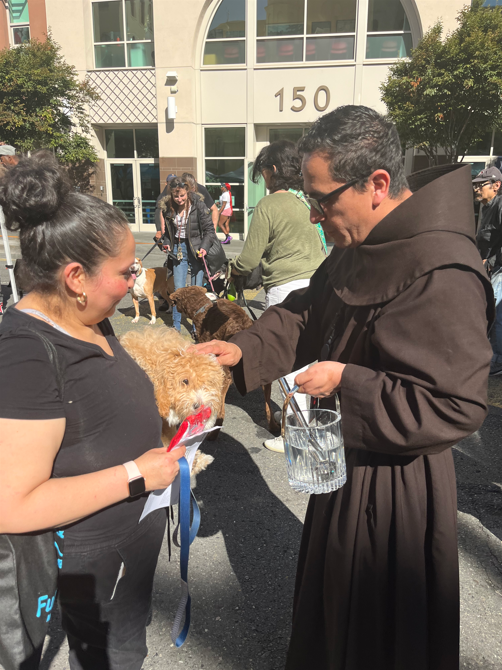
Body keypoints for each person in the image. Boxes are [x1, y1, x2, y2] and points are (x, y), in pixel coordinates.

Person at [194, 106, 493, 670]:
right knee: (334, 616)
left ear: (377, 185)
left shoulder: (444, 267)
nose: (314, 216)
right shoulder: (360, 242)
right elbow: (307, 314)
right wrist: (243, 348)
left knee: (378, 633)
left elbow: (455, 404)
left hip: (398, 485)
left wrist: (344, 380)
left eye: (323, 200)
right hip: (343, 464)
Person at [0, 152, 185, 670]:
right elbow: (12, 504)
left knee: (127, 646)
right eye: (127, 272)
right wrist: (136, 474)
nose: (137, 280)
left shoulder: (89, 318)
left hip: (129, 545)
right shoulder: (25, 353)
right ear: (77, 277)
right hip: (91, 559)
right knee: (108, 657)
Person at [231, 139, 327, 452]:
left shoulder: (269, 205)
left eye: (264, 173)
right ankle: (310, 426)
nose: (266, 180)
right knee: (308, 359)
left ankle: (294, 435)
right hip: (318, 283)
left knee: (288, 364)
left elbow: (248, 259)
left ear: (272, 170)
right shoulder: (303, 201)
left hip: (286, 287)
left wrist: (233, 273)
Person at [159, 177, 214, 332]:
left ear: (188, 192)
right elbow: (168, 233)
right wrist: (167, 242)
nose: (179, 199)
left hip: (196, 248)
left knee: (197, 290)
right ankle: (176, 326)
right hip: (178, 249)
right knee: (178, 290)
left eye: (182, 195)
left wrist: (204, 247)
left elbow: (210, 230)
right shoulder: (168, 207)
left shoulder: (199, 205)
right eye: (176, 196)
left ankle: (197, 326)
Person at [474, 166, 502, 375]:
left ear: (496, 186)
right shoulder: (486, 207)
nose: (476, 189)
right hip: (490, 267)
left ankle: (497, 361)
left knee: (494, 312)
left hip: (500, 268)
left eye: (480, 185)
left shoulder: (500, 206)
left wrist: (491, 260)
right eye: (474, 185)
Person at [154, 173, 177, 239]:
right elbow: (158, 212)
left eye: (174, 182)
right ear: (166, 183)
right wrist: (159, 230)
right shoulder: (162, 197)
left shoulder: (180, 194)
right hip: (167, 228)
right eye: (170, 182)